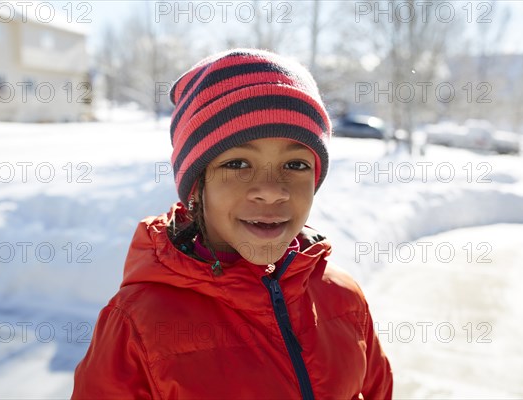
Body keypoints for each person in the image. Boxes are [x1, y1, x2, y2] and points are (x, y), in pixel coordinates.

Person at [72, 48, 393, 399]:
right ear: (198, 185)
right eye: (238, 164)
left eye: (296, 165)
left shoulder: (344, 297)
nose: (271, 191)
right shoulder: (137, 324)